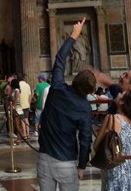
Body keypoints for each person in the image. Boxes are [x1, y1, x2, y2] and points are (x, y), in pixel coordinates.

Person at [38, 17, 96, 191]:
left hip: (44, 158)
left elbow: (60, 59)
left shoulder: (57, 88)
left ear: (75, 79)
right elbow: (85, 139)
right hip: (66, 161)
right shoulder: (84, 108)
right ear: (90, 91)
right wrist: (82, 165)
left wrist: (74, 35)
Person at [96, 89, 131, 191]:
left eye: (121, 93)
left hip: (117, 167)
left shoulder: (112, 119)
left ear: (122, 101)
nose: (118, 93)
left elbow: (97, 144)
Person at [18, 74, 32, 139]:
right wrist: (29, 104)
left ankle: (24, 134)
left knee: (22, 120)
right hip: (26, 104)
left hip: (20, 105)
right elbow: (30, 96)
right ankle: (28, 133)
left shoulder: (18, 86)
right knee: (26, 120)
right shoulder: (27, 85)